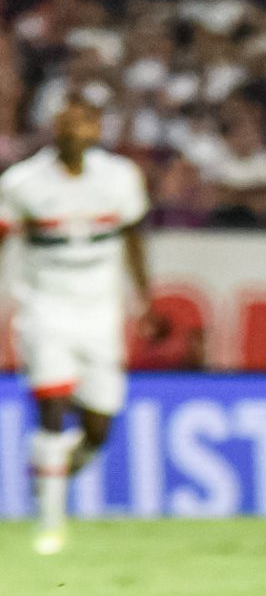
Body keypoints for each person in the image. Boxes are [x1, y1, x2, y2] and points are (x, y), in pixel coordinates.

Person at [0, 99, 162, 555]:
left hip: (100, 312)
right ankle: (50, 524)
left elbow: (133, 238)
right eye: (66, 123)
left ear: (97, 128)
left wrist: (146, 300)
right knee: (51, 409)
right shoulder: (21, 183)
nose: (75, 130)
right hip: (44, 306)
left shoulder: (119, 178)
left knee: (99, 426)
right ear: (52, 129)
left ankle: (49, 470)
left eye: (84, 122)